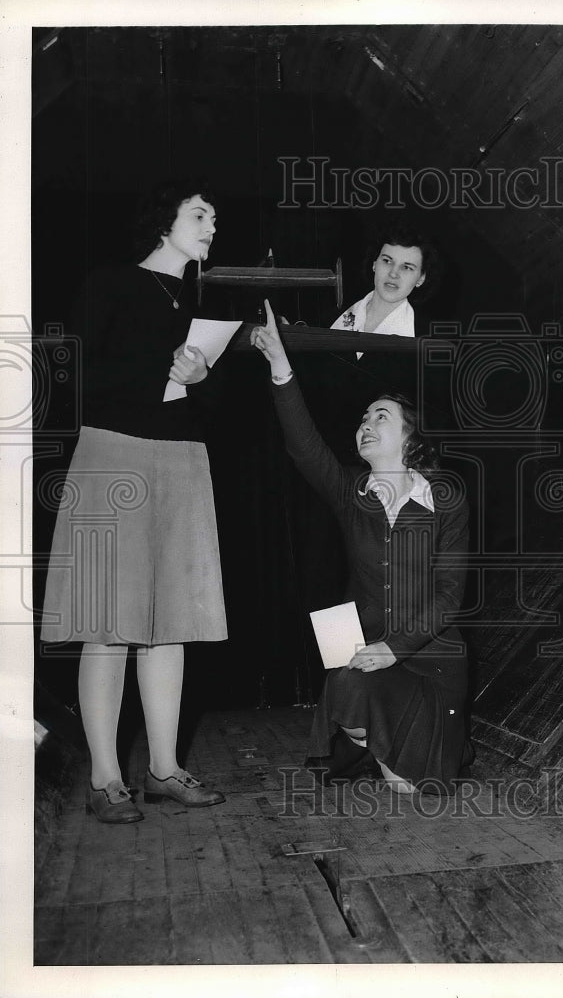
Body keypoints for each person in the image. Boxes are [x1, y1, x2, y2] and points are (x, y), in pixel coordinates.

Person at [40, 179, 228, 823]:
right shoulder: (111, 283)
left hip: (182, 461)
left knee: (171, 623)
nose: (210, 225)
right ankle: (103, 779)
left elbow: (229, 409)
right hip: (113, 454)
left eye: (213, 217)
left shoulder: (203, 301)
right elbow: (76, 375)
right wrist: (162, 373)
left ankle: (165, 770)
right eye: (199, 214)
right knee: (108, 625)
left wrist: (202, 379)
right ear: (163, 221)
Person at [251, 300, 471, 794]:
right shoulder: (351, 493)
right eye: (363, 419)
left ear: (410, 439)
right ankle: (374, 747)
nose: (366, 424)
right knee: (345, 688)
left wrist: (395, 649)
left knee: (422, 788)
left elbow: (449, 596)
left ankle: (416, 747)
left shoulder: (444, 498)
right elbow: (304, 444)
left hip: (431, 655)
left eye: (381, 417)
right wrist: (280, 365)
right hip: (365, 649)